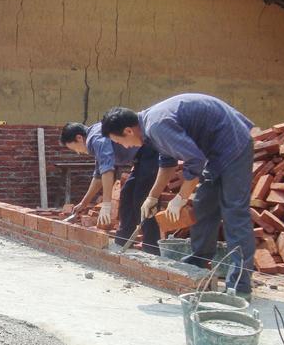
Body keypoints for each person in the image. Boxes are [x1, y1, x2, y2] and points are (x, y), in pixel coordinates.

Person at [100, 93, 255, 300]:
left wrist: (181, 198)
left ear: (128, 130)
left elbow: (195, 161)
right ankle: (199, 261)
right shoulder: (150, 128)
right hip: (215, 151)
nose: (124, 147)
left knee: (234, 213)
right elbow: (168, 162)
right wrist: (152, 197)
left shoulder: (157, 125)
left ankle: (240, 285)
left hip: (233, 145)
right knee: (204, 205)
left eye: (119, 141)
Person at [60, 121, 160, 254]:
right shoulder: (94, 138)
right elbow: (99, 176)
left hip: (150, 151)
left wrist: (106, 205)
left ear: (79, 138)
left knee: (141, 198)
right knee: (127, 194)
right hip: (141, 158)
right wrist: (84, 203)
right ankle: (123, 240)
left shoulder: (95, 138)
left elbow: (107, 171)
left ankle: (152, 248)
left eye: (75, 148)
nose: (78, 152)